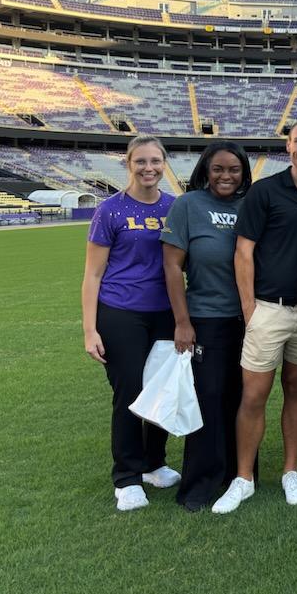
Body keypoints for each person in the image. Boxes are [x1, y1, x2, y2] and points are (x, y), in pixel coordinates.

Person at [211, 120, 297, 514]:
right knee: (254, 394)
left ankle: (291, 471)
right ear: (289, 146)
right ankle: (244, 477)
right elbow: (243, 252)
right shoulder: (264, 191)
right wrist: (250, 308)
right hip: (268, 308)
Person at [81, 134, 179, 512]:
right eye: (141, 161)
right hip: (121, 311)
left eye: (155, 161)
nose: (149, 168)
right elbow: (92, 275)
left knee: (162, 391)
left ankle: (155, 462)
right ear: (128, 163)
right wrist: (90, 330)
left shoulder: (175, 207)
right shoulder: (110, 210)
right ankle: (126, 476)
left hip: (165, 312)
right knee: (130, 393)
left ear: (164, 164)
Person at [160, 141, 253, 512]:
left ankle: (240, 476)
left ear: (245, 172)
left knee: (242, 400)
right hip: (206, 319)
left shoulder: (250, 205)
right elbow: (171, 267)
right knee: (208, 401)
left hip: (248, 320)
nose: (226, 176)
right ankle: (200, 483)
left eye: (234, 169)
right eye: (218, 169)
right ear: (205, 170)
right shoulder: (188, 206)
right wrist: (182, 322)